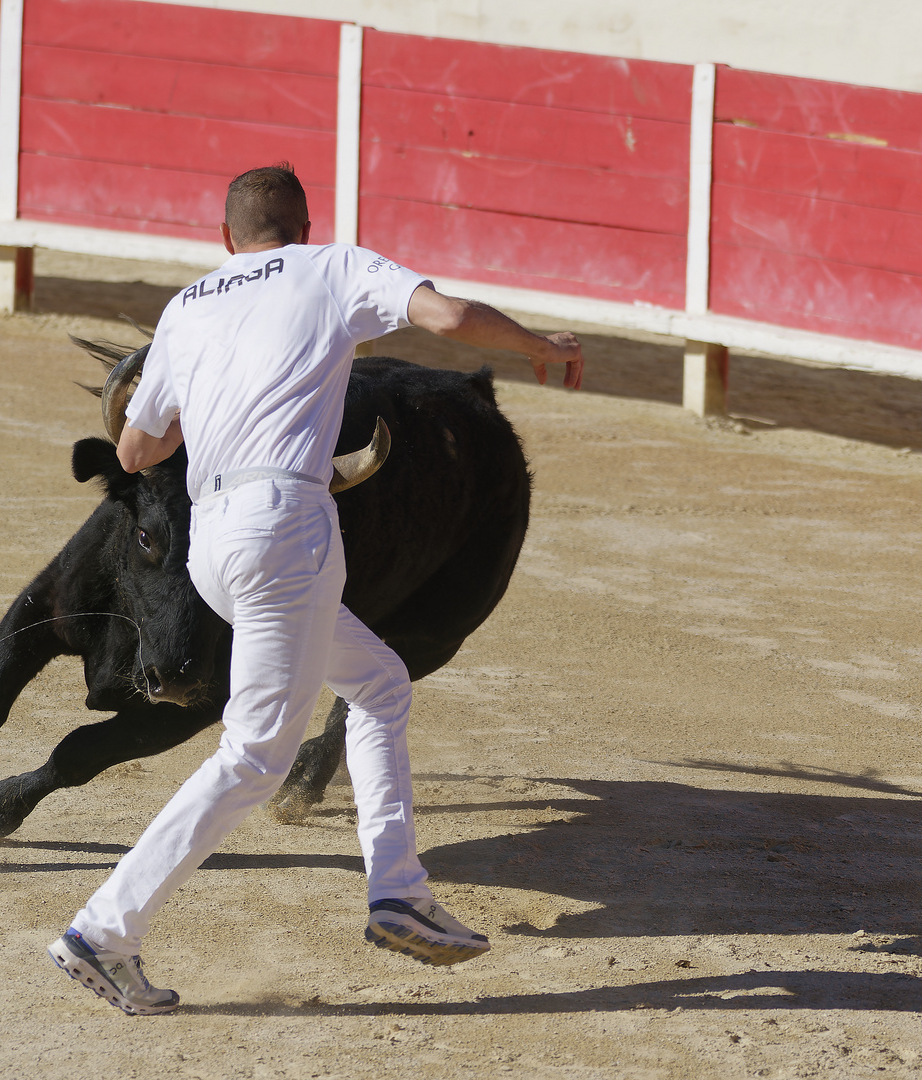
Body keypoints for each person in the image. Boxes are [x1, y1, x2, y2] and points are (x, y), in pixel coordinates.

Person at [47, 163, 584, 1015]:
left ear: (226, 239)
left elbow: (138, 451)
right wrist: (538, 347)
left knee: (377, 683)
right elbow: (446, 316)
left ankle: (398, 886)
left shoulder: (188, 306)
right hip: (285, 526)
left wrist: (217, 404)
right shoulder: (331, 267)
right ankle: (103, 932)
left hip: (215, 545)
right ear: (303, 225)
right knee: (256, 756)